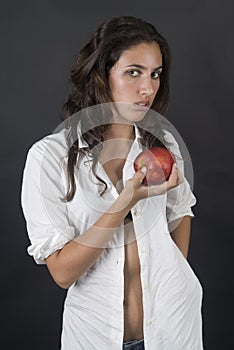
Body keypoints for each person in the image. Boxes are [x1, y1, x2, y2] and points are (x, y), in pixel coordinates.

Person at [21, 16, 204, 350]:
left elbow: (182, 211)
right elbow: (62, 273)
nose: (147, 88)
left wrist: (170, 276)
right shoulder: (49, 158)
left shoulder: (162, 145)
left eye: (155, 74)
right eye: (133, 72)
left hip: (174, 330)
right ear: (101, 76)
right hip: (95, 336)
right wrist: (126, 201)